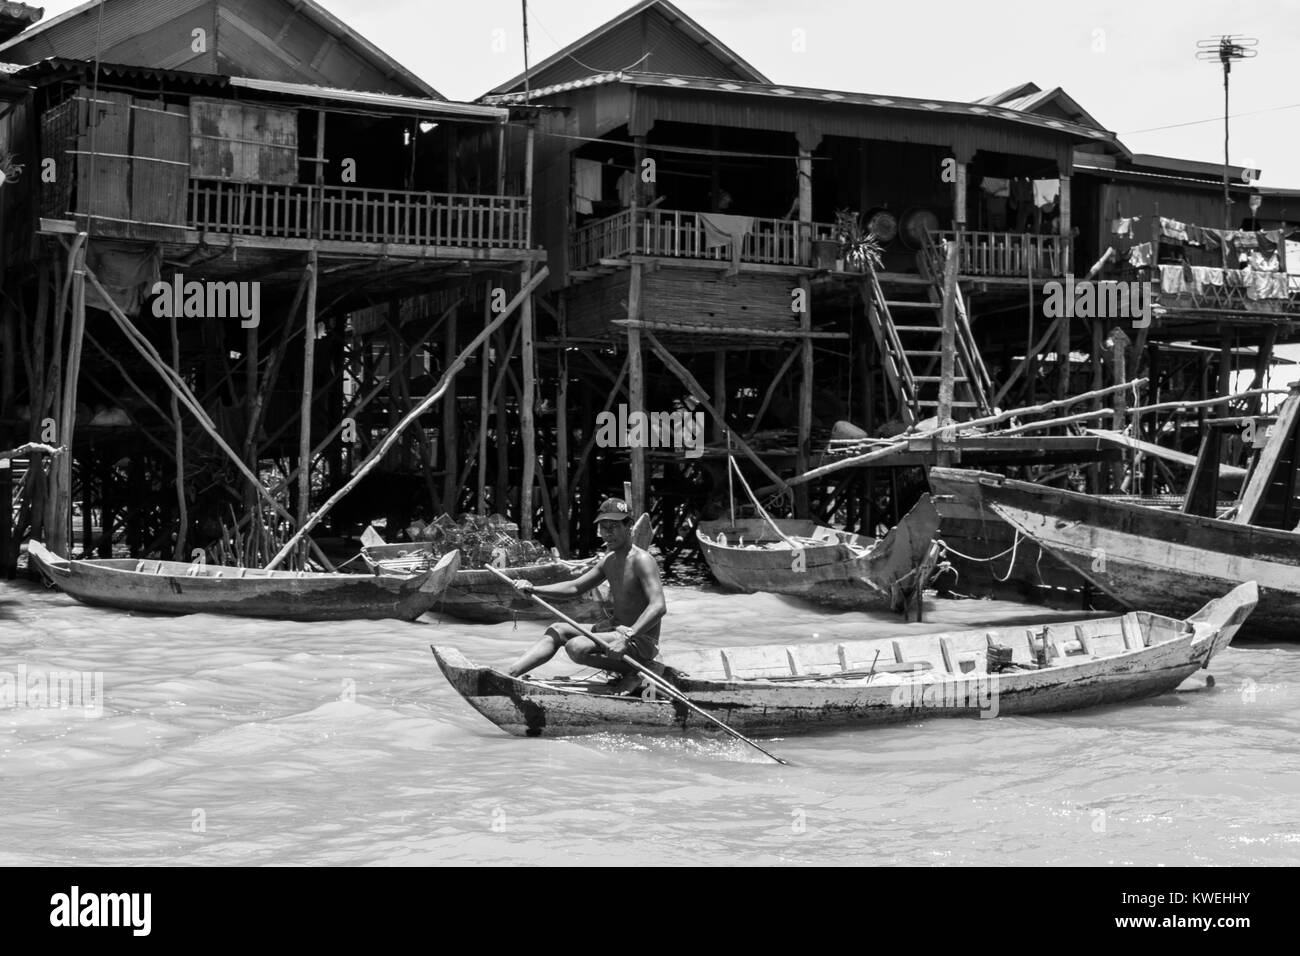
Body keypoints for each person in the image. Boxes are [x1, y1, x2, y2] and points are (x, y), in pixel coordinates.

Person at [506, 498, 667, 693]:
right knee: (557, 630)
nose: (607, 532)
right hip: (614, 631)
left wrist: (627, 636)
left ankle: (639, 670)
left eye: (614, 527)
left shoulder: (642, 560)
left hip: (638, 640)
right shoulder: (610, 560)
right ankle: (510, 675)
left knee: (576, 647)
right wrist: (534, 589)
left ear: (629, 526)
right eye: (604, 527)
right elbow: (575, 588)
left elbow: (658, 606)